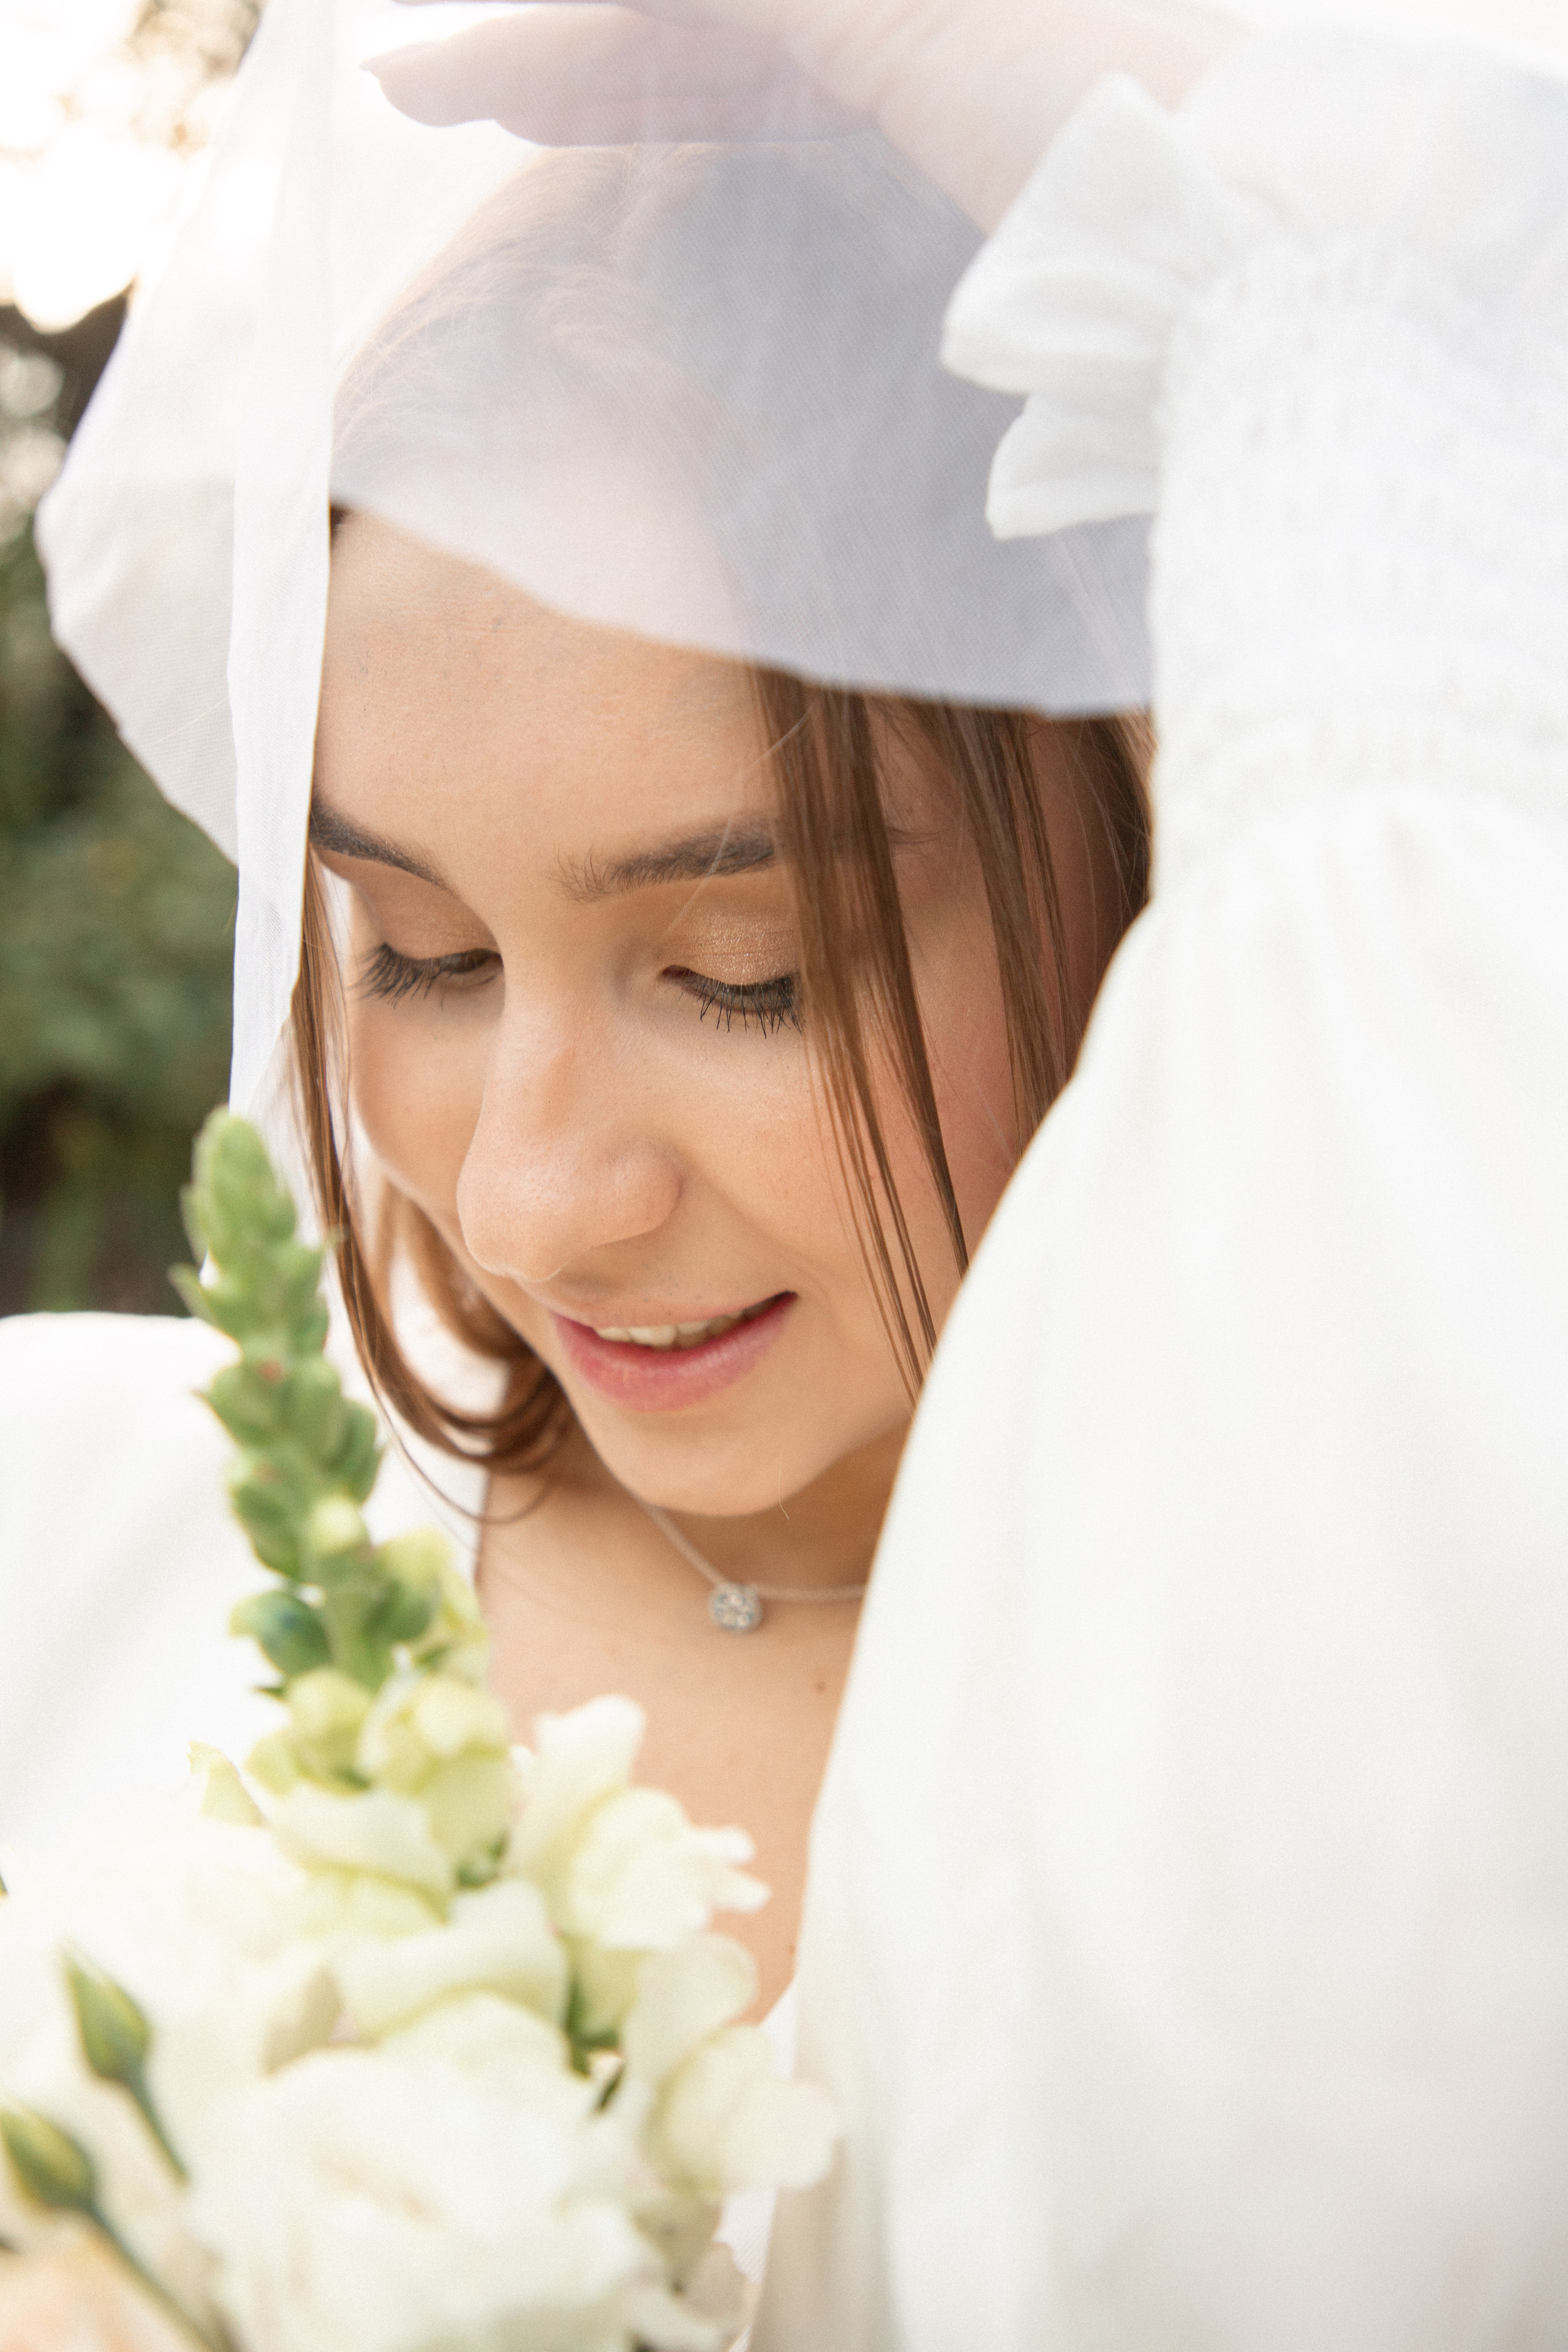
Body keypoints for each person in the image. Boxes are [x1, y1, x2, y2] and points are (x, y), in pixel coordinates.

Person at [10, 0, 1568, 2345]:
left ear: (1148, 834)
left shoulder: (1369, 1711)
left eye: (742, 972)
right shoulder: (54, 1532)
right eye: (417, 951)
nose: (529, 1202)